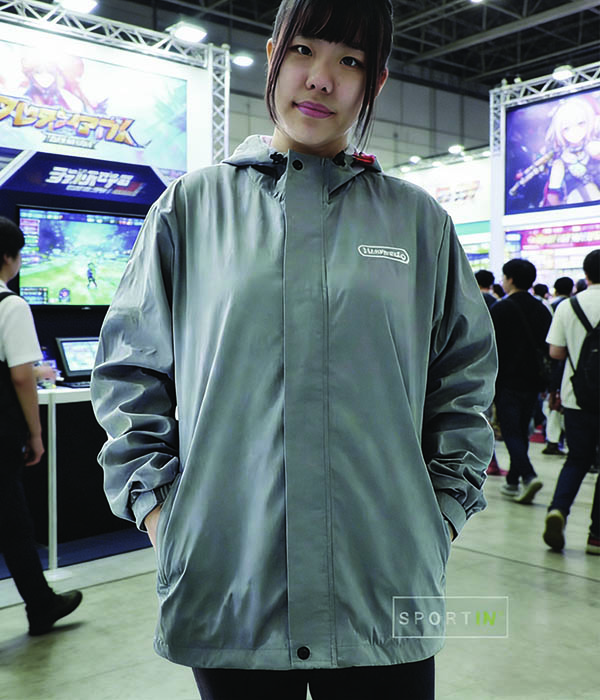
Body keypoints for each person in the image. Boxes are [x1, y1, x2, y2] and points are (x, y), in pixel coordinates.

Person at [91, 1, 497, 697]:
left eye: (351, 61)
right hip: (231, 576)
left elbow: (464, 377)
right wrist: (161, 510)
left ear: (376, 82)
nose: (321, 78)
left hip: (383, 580)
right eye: (305, 49)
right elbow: (130, 369)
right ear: (274, 52)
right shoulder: (192, 207)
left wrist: (440, 514)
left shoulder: (417, 221)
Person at [0, 216, 82, 635]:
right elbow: (20, 377)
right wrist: (35, 434)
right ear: (8, 258)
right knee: (14, 526)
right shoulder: (10, 305)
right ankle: (41, 604)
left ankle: (42, 602)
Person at [543, 249, 600, 554]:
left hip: (576, 397)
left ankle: (558, 510)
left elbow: (555, 352)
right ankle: (596, 536)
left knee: (577, 459)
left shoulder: (569, 305)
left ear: (586, 273)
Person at [490, 258, 552, 503]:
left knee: (510, 432)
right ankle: (512, 481)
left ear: (511, 279)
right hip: (534, 381)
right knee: (522, 430)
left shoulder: (500, 309)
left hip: (507, 380)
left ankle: (528, 475)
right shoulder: (542, 309)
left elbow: (491, 348)